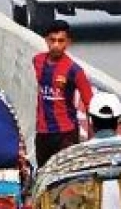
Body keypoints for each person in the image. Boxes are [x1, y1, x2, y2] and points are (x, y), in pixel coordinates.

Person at [32, 19, 94, 165]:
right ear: (46, 40)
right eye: (52, 40)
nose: (56, 45)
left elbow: (90, 103)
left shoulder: (74, 70)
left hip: (66, 134)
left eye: (61, 41)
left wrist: (91, 138)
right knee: (43, 177)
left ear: (68, 43)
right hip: (43, 133)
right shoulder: (37, 61)